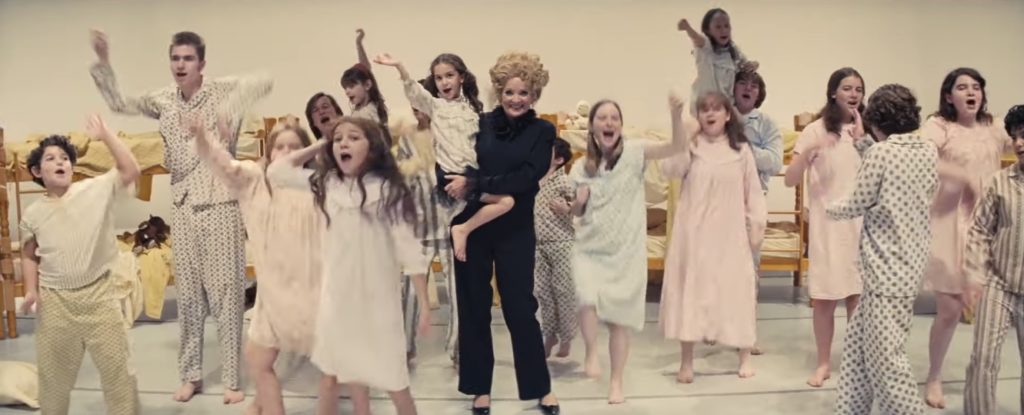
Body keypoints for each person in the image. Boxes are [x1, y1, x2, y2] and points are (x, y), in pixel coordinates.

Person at [89, 29, 272, 404]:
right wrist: (105, 61)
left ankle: (232, 379)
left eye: (188, 58)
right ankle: (190, 376)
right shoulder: (164, 99)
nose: (180, 65)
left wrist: (228, 108)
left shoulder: (221, 92)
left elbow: (264, 80)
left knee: (227, 295)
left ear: (201, 63)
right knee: (188, 297)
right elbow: (120, 102)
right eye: (175, 58)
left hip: (221, 203)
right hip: (184, 204)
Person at [268, 117, 431, 415]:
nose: (343, 143)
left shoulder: (387, 190)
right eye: (338, 139)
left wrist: (424, 302)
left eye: (354, 137)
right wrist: (320, 143)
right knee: (352, 375)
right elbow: (276, 172)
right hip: (339, 301)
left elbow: (409, 249)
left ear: (372, 148)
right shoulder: (327, 184)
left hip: (378, 304)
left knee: (395, 381)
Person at [442, 51, 560, 415]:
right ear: (499, 91)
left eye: (524, 92)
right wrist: (474, 187)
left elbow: (527, 178)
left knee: (520, 308)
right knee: (474, 307)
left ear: (534, 94)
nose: (516, 99)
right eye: (509, 91)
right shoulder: (480, 123)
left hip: (515, 229)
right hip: (473, 226)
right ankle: (480, 389)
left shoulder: (543, 132)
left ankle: (540, 388)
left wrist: (477, 183)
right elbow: (456, 163)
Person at [828, 84, 939, 415]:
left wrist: (825, 208)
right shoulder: (927, 151)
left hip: (884, 273)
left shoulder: (881, 154)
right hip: (908, 267)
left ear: (876, 120)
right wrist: (863, 141)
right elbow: (892, 171)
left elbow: (857, 202)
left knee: (886, 362)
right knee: (857, 351)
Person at [20, 114, 142, 415]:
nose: (60, 162)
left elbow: (130, 170)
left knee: (118, 371)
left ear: (73, 167)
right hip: (56, 301)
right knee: (53, 379)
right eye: (51, 159)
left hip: (99, 295)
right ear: (37, 171)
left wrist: (106, 135)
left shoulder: (94, 189)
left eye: (65, 158)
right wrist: (31, 290)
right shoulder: (34, 213)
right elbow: (29, 253)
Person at [784, 67, 871, 387]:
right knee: (824, 298)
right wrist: (808, 151)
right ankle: (823, 363)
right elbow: (791, 179)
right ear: (833, 92)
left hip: (862, 226)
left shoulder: (868, 131)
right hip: (827, 226)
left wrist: (864, 139)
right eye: (847, 88)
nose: (853, 94)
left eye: (858, 89)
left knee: (858, 297)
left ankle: (857, 362)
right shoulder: (815, 130)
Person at [962, 104, 1024, 415]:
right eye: (1015, 137)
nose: (1019, 143)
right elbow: (979, 231)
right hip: (998, 283)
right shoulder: (999, 182)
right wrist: (974, 276)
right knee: (983, 359)